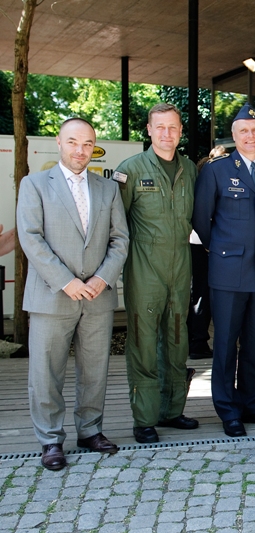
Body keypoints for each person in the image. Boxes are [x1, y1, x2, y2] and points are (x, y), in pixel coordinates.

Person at [17, 118, 129, 470]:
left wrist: (103, 278)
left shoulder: (107, 188)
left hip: (98, 295)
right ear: (59, 142)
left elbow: (120, 239)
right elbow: (31, 238)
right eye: (73, 142)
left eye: (88, 144)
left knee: (95, 369)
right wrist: (67, 281)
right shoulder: (34, 184)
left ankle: (90, 430)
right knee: (46, 372)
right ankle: (50, 439)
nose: (81, 150)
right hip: (52, 295)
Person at [193, 103, 255, 437]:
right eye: (244, 131)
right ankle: (227, 409)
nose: (250, 136)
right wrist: (220, 251)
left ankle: (251, 402)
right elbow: (202, 221)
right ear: (233, 136)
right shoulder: (216, 170)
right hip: (228, 270)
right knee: (226, 341)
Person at [115, 103, 199, 444]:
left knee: (178, 342)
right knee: (144, 344)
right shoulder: (129, 170)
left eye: (173, 128)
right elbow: (114, 224)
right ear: (148, 130)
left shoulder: (191, 169)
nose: (167, 134)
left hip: (181, 270)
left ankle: (172, 410)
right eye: (160, 127)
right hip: (143, 271)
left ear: (180, 132)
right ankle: (145, 418)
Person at [187, 146, 225, 360]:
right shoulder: (211, 182)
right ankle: (198, 342)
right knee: (202, 296)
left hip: (196, 243)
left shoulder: (198, 180)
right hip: (204, 244)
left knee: (197, 293)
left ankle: (195, 341)